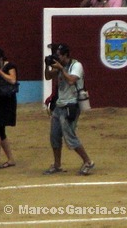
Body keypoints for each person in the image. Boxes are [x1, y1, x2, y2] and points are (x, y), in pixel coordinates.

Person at [43, 43, 95, 175]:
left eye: (59, 55)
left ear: (66, 55)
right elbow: (48, 76)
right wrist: (47, 65)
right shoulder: (61, 66)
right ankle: (57, 165)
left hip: (72, 105)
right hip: (59, 105)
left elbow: (71, 80)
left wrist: (61, 68)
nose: (57, 57)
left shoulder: (76, 65)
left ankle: (88, 162)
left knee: (70, 136)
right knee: (54, 136)